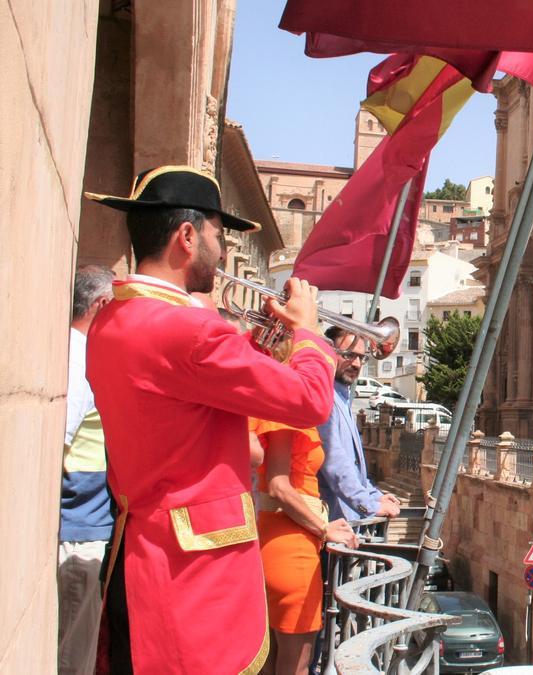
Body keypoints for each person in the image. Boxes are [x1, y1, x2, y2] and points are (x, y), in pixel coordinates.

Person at [84, 166, 337, 674]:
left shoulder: (112, 319)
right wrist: (307, 333)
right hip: (193, 577)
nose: (221, 253)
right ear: (186, 236)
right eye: (217, 237)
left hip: (137, 557)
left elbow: (189, 390)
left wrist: (257, 343)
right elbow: (310, 400)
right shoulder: (190, 332)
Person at [251, 342, 359, 675]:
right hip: (292, 546)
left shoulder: (270, 405)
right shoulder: (287, 410)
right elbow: (280, 486)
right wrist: (324, 527)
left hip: (274, 537)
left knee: (267, 662)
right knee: (296, 666)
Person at [58, 264, 114, 675]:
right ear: (100, 305)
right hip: (78, 534)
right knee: (71, 661)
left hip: (85, 529)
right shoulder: (78, 361)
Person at [317, 326, 402, 522]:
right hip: (329, 523)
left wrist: (374, 494)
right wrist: (370, 504)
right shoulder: (325, 397)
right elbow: (334, 462)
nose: (356, 363)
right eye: (349, 355)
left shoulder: (342, 398)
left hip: (344, 521)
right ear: (329, 353)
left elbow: (352, 468)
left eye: (361, 358)